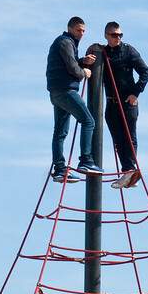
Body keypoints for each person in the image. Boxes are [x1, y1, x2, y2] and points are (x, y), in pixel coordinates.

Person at [85, 21, 148, 188]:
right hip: (111, 103)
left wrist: (135, 92)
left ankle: (129, 170)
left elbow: (145, 71)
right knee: (118, 139)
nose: (118, 38)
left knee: (129, 136)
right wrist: (88, 56)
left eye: (120, 35)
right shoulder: (104, 52)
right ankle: (128, 173)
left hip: (127, 102)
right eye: (114, 35)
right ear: (107, 36)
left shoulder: (128, 50)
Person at [47, 16, 102, 180]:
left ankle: (60, 169)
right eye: (79, 30)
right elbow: (71, 67)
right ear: (70, 28)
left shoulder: (65, 43)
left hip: (56, 92)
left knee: (60, 132)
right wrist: (83, 72)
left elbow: (68, 63)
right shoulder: (65, 42)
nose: (82, 33)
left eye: (84, 30)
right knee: (88, 121)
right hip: (66, 91)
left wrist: (82, 61)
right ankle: (86, 160)